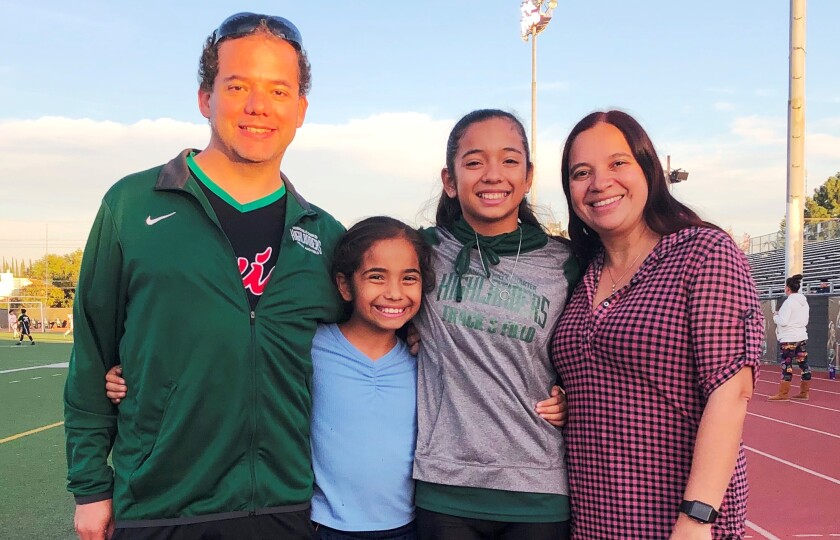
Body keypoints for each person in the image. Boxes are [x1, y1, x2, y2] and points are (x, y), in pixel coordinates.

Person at [64, 12, 345, 540]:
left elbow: (373, 341)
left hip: (289, 508)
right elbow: (91, 355)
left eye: (279, 91)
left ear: (301, 109)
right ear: (205, 98)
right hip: (160, 507)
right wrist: (90, 488)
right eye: (238, 86)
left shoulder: (326, 235)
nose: (259, 107)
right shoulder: (131, 205)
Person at [550, 110, 763, 539]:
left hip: (676, 521)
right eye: (581, 172)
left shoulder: (703, 254)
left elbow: (731, 391)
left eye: (617, 163)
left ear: (648, 168)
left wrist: (696, 516)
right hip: (593, 521)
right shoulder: (579, 272)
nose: (599, 183)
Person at [412, 109, 578, 539]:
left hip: (539, 489)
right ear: (450, 180)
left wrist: (568, 394)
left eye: (508, 160)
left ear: (527, 177)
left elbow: (590, 349)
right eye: (474, 162)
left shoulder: (565, 262)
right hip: (446, 486)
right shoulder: (421, 252)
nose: (492, 175)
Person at [768, 273, 811, 401]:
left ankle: (783, 393)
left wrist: (775, 316)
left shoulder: (788, 303)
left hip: (788, 338)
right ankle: (804, 392)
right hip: (801, 336)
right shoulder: (804, 303)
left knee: (787, 364)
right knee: (804, 364)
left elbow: (783, 321)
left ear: (788, 288)